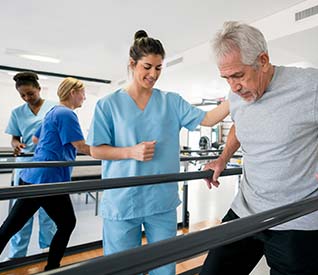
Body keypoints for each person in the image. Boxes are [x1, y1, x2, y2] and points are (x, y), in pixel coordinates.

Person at [200, 21, 318, 275]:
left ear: (263, 60)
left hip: (298, 220)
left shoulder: (309, 86)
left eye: (238, 75)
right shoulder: (238, 94)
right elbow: (240, 123)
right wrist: (223, 157)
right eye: (226, 78)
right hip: (246, 210)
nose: (233, 87)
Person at [87, 30, 229, 275]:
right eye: (147, 67)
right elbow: (95, 150)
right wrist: (130, 152)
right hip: (122, 201)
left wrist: (236, 92)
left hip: (160, 201)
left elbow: (208, 118)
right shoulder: (108, 104)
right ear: (132, 64)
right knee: (121, 269)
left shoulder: (170, 102)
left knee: (164, 268)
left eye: (159, 68)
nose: (153, 74)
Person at [0, 77, 92, 275]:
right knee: (66, 223)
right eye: (82, 93)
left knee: (11, 228)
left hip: (34, 176)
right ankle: (52, 268)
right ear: (73, 92)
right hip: (49, 179)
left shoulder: (52, 112)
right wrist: (117, 153)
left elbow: (36, 139)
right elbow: (81, 147)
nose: (84, 97)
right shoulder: (66, 114)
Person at [5, 71, 57, 258]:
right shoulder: (17, 113)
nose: (27, 98)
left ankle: (48, 251)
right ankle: (17, 255)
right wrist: (15, 145)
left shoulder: (54, 108)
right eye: (23, 95)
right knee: (21, 216)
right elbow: (14, 138)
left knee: (48, 214)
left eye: (31, 94)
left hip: (47, 166)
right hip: (25, 165)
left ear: (39, 89)